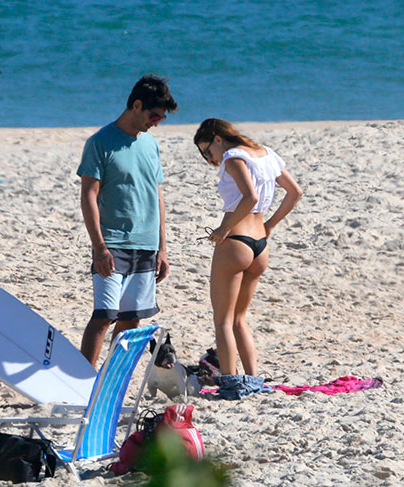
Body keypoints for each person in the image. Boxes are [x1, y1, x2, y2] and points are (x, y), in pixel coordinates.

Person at [193, 118, 303, 396]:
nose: (210, 158)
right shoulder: (266, 154)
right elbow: (295, 193)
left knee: (223, 320)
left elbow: (250, 197)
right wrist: (270, 226)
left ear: (218, 138)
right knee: (240, 318)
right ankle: (254, 380)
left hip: (236, 241)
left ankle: (230, 383)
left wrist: (224, 228)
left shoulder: (233, 156)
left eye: (207, 151)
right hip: (260, 243)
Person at [77, 75, 178, 367]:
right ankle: (81, 384)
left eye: (162, 117)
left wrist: (163, 248)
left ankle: (109, 382)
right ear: (137, 105)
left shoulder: (150, 145)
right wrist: (99, 248)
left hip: (146, 245)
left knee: (131, 321)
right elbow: (89, 197)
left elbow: (157, 197)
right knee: (105, 316)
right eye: (155, 115)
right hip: (113, 243)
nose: (157, 122)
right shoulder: (100, 143)